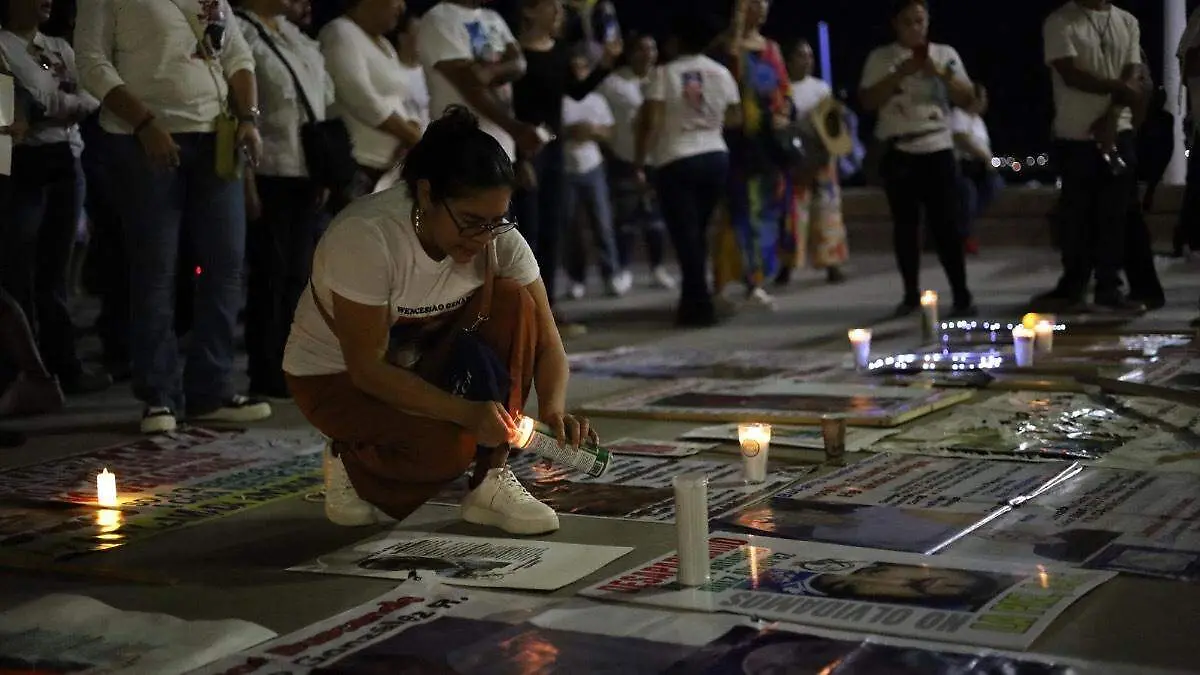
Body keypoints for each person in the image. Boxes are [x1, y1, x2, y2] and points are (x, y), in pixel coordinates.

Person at [284, 107, 593, 534]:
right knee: (446, 450)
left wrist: (555, 411)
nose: (482, 238)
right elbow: (367, 369)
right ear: (427, 195)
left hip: (424, 363)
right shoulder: (367, 238)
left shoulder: (497, 238)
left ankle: (489, 480)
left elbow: (547, 341)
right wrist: (465, 413)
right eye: (470, 223)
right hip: (337, 379)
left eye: (495, 222)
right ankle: (350, 457)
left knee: (513, 299)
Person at [76, 0, 272, 434]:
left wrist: (248, 118)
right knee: (155, 271)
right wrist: (144, 123)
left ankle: (211, 390)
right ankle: (158, 395)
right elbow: (90, 61)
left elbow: (238, 54)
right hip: (140, 141)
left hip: (215, 136)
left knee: (224, 267)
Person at [0, 0, 110, 397]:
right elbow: (32, 105)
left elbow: (91, 96)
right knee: (19, 273)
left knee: (56, 274)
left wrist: (54, 107)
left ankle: (64, 365)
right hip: (23, 167)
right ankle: (23, 371)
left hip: (67, 161)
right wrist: (57, 105)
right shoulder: (4, 46)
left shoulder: (59, 47)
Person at [235, 0, 336, 399]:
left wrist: (323, 169)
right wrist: (246, 180)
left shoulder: (293, 34)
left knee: (298, 276)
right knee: (269, 275)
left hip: (304, 168)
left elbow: (321, 96)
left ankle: (294, 364)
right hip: (267, 168)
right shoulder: (241, 31)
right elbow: (237, 108)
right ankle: (265, 369)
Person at [859, 0, 977, 318]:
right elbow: (868, 101)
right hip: (900, 148)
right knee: (905, 226)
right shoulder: (881, 58)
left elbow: (969, 100)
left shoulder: (945, 54)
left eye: (920, 21)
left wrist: (939, 74)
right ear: (896, 25)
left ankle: (962, 293)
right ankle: (910, 294)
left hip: (937, 145)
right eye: (908, 22)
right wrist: (900, 73)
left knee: (947, 226)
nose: (916, 28)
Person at [510, 0, 620, 329]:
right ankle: (524, 311)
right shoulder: (514, 56)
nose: (558, 12)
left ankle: (548, 307)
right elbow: (508, 107)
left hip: (555, 151)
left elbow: (575, 91)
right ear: (529, 11)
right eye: (550, 6)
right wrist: (517, 156)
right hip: (526, 150)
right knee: (526, 231)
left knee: (552, 230)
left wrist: (606, 65)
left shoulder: (560, 50)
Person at [1034, 0, 1146, 313]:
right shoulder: (1061, 21)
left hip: (1117, 131)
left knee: (1115, 215)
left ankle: (1109, 287)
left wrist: (1111, 117)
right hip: (1074, 135)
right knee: (1076, 215)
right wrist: (1121, 88)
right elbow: (1071, 74)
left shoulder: (1127, 21)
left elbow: (1133, 72)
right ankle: (1074, 285)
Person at [636, 12, 741, 327]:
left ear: (677, 41)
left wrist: (641, 161)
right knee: (699, 231)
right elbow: (736, 117)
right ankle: (693, 298)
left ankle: (699, 303)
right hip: (715, 154)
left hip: (676, 157)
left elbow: (652, 119)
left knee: (685, 235)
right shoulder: (720, 73)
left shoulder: (664, 74)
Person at [709, 0, 790, 310]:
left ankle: (756, 280)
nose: (762, 7)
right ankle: (723, 281)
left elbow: (783, 91)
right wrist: (737, 29)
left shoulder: (770, 48)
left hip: (766, 143)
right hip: (734, 141)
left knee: (765, 212)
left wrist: (784, 110)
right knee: (734, 213)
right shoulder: (724, 46)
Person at [319, 0, 422, 210]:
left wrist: (414, 125)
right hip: (357, 166)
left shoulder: (384, 44)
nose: (402, 7)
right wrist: (411, 136)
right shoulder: (340, 32)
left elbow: (401, 98)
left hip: (390, 168)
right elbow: (361, 99)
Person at [418, 0, 541, 163]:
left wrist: (490, 72)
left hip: (501, 147)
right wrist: (514, 128)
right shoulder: (440, 19)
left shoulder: (492, 17)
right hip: (460, 149)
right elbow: (469, 84)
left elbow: (520, 63)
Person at [597, 32, 675, 291]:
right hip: (625, 159)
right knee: (626, 219)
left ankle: (657, 268)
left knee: (656, 219)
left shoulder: (664, 78)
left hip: (660, 158)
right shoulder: (613, 83)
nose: (648, 54)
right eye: (641, 49)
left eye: (652, 48)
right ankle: (624, 269)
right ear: (630, 54)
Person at [779, 37, 849, 286]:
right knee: (793, 215)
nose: (807, 61)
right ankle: (787, 265)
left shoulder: (821, 88)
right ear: (788, 60)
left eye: (809, 56)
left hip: (822, 157)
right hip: (796, 159)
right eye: (801, 55)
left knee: (827, 213)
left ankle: (832, 264)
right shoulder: (783, 88)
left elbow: (831, 125)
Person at [562, 47, 623, 299]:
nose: (578, 72)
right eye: (574, 67)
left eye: (582, 67)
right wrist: (568, 132)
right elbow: (548, 131)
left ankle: (611, 275)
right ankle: (576, 278)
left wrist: (593, 131)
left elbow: (609, 132)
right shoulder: (561, 98)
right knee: (570, 227)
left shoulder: (596, 100)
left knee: (602, 223)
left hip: (592, 165)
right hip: (566, 167)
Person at [951, 83, 1003, 256]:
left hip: (979, 169)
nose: (986, 101)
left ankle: (964, 225)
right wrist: (985, 156)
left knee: (996, 185)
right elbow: (961, 138)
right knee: (967, 192)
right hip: (961, 167)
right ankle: (965, 235)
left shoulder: (979, 122)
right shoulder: (957, 115)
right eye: (984, 97)